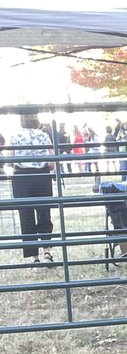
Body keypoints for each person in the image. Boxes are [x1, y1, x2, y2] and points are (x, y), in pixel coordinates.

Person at [8, 108, 56, 264]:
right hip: (42, 177)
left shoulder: (15, 136)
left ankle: (33, 257)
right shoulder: (43, 136)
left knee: (26, 215)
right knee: (44, 213)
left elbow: (10, 160)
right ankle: (47, 252)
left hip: (22, 178)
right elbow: (51, 162)